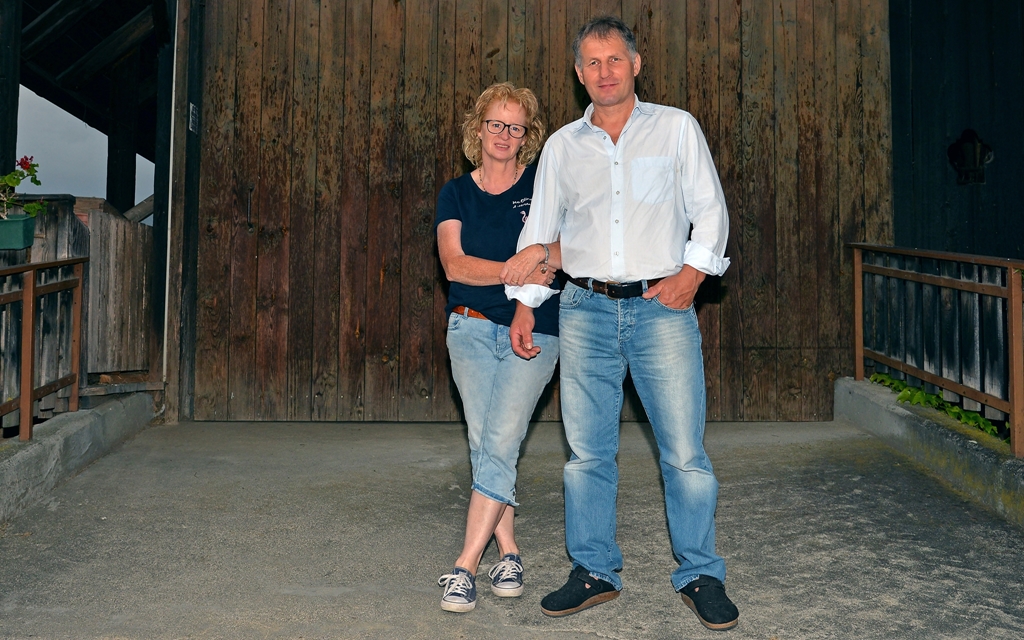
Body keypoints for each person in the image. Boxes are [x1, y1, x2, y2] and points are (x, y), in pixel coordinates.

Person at [504, 16, 740, 631]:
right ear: (578, 73)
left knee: (684, 452)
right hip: (583, 309)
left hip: (662, 310)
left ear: (636, 64)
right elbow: (541, 230)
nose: (604, 71)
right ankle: (594, 571)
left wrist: (692, 275)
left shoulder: (676, 128)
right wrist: (527, 302)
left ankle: (700, 573)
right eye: (592, 62)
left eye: (614, 59)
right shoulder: (562, 146)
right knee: (587, 453)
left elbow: (709, 209)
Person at [434, 82, 562, 613]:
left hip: (535, 330)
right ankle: (508, 552)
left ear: (526, 135)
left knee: (501, 438)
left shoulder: (541, 186)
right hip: (468, 328)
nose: (504, 134)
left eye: (515, 127)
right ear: (479, 128)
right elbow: (455, 266)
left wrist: (538, 261)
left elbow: (563, 251)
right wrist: (519, 268)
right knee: (486, 442)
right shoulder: (455, 193)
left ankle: (465, 565)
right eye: (495, 124)